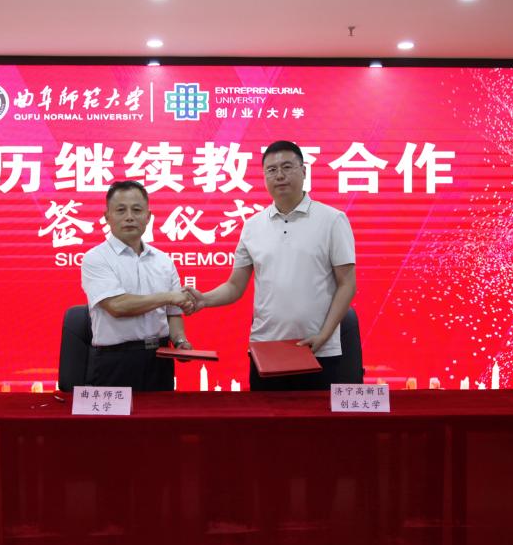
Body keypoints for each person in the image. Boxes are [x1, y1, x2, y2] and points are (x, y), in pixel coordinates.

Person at [185, 140, 357, 390]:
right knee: (265, 416)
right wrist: (204, 300)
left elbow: (347, 284)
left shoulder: (332, 220)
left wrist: (324, 335)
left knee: (316, 417)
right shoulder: (252, 226)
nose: (279, 175)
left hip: (317, 350)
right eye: (272, 170)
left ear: (303, 171)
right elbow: (234, 286)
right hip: (265, 350)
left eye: (287, 167)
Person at [80, 180, 194, 391]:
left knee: (161, 413)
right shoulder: (96, 258)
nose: (129, 217)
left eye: (137, 210)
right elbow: (117, 306)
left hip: (160, 359)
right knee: (116, 415)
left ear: (148, 217)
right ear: (107, 217)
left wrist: (180, 342)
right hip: (115, 361)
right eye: (121, 210)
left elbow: (173, 313)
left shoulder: (163, 260)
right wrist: (168, 296)